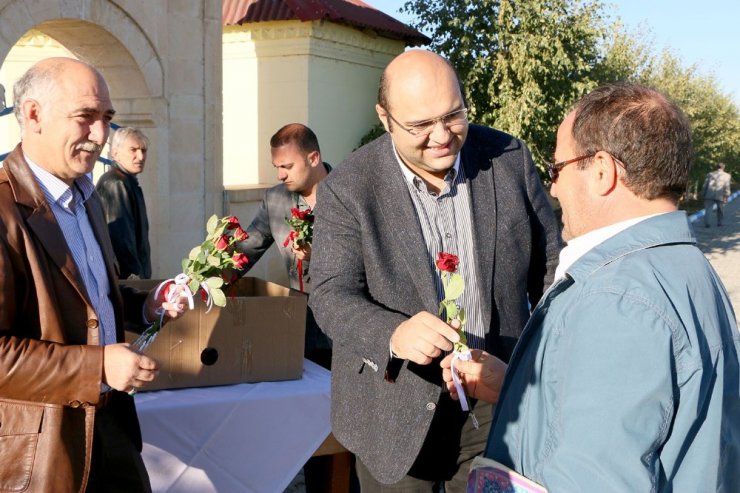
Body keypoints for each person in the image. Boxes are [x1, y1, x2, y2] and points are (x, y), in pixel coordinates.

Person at [448, 83, 740, 491]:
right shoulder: (684, 267)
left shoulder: (616, 299)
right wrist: (518, 384)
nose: (553, 188)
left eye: (557, 169)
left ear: (602, 171)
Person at [309, 49, 562, 489]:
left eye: (453, 115)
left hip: (497, 398)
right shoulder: (349, 187)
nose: (442, 136)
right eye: (420, 125)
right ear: (385, 118)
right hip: (394, 409)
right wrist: (393, 333)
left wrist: (548, 368)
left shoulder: (509, 158)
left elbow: (553, 270)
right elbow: (331, 292)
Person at [0, 57, 187, 492]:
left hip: (112, 428)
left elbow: (84, 298)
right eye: (85, 117)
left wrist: (143, 305)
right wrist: (98, 365)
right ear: (32, 114)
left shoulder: (86, 197)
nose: (101, 135)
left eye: (106, 119)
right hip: (43, 451)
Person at [236, 123, 332, 369]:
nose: (280, 175)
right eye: (277, 167)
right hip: (300, 326)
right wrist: (205, 280)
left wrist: (318, 254)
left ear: (313, 158)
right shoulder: (275, 198)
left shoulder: (351, 193)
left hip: (345, 328)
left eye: (287, 166)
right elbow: (248, 249)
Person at [96, 126, 152, 279]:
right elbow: (121, 240)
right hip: (127, 284)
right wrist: (136, 279)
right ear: (115, 154)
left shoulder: (127, 182)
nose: (140, 156)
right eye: (133, 150)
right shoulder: (116, 184)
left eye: (143, 150)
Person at [702, 161, 732, 227]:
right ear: (723, 167)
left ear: (716, 167)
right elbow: (727, 186)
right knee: (720, 210)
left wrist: (703, 193)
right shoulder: (727, 175)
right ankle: (720, 223)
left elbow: (705, 185)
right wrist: (727, 195)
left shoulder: (710, 174)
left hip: (709, 194)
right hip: (720, 195)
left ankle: (707, 223)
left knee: (708, 209)